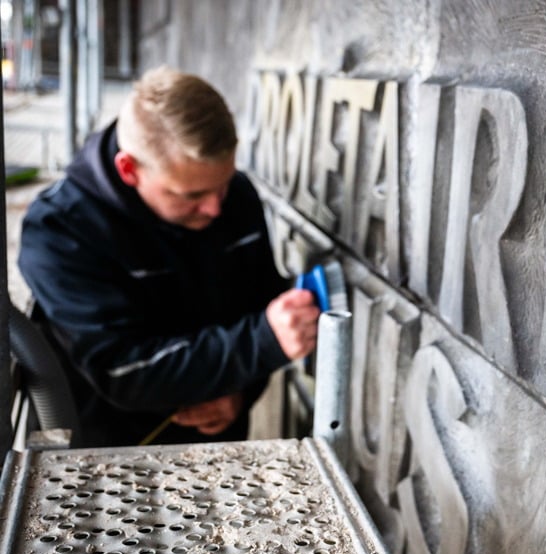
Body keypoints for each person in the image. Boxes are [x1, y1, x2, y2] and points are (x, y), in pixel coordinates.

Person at [18, 66, 320, 448]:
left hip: (223, 447)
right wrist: (258, 346)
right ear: (129, 170)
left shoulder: (237, 198)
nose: (214, 208)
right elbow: (121, 368)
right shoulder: (59, 231)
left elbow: (258, 308)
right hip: (110, 462)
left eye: (222, 185)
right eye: (191, 196)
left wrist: (241, 391)